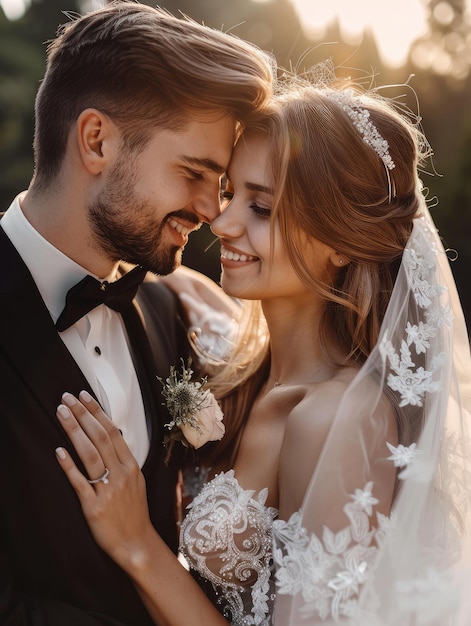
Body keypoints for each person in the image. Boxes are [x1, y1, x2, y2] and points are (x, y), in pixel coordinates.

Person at [53, 64, 471, 626]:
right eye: (230, 192)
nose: (221, 221)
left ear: (344, 243)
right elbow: (159, 280)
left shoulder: (340, 418)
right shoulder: (237, 360)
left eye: (262, 207)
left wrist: (137, 546)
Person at [0, 2, 274, 624]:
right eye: (195, 173)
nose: (211, 209)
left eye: (222, 185)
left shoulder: (163, 308)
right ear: (97, 141)